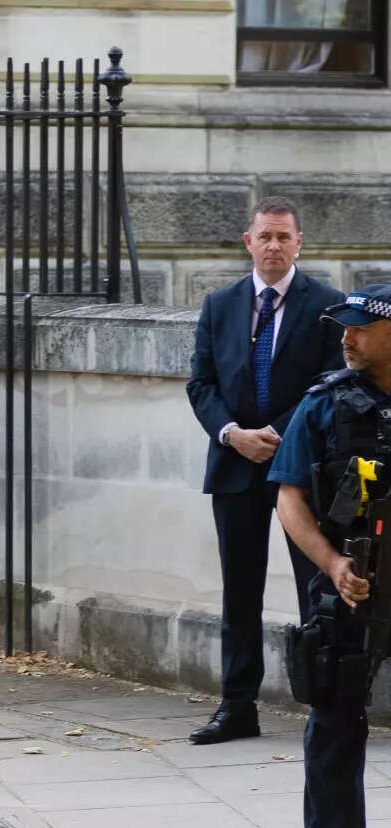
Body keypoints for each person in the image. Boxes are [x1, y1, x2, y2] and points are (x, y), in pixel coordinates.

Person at [185, 197, 346, 744]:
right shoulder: (220, 304)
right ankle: (237, 707)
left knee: (315, 587)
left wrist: (273, 436)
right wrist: (233, 434)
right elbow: (200, 384)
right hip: (234, 466)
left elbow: (329, 382)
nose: (274, 246)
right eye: (265, 237)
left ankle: (324, 702)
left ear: (300, 243)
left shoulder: (327, 305)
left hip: (302, 468)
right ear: (247, 243)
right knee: (240, 590)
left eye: (284, 237)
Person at [269, 283, 391, 828]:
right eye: (342, 327)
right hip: (350, 587)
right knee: (337, 718)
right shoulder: (323, 406)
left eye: (360, 328)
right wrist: (336, 564)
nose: (346, 337)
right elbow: (289, 500)